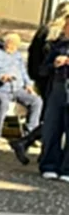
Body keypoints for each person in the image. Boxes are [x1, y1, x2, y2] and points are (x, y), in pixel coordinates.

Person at [12, 4, 69, 163]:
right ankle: (31, 145)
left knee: (51, 117)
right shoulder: (55, 34)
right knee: (55, 118)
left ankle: (31, 145)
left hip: (44, 76)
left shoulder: (45, 30)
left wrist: (34, 75)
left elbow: (33, 53)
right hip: (54, 77)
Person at [0, 33, 42, 147]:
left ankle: (30, 136)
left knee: (36, 101)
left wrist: (28, 85)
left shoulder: (17, 55)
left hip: (16, 89)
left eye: (16, 46)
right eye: (12, 46)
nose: (14, 49)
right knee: (3, 102)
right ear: (6, 43)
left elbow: (23, 72)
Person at [38, 15, 69, 181]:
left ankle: (67, 169)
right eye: (66, 26)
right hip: (58, 87)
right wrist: (54, 64)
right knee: (52, 127)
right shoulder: (58, 46)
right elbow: (42, 69)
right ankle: (49, 165)